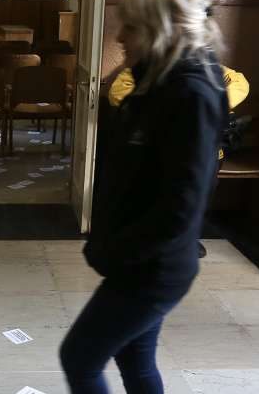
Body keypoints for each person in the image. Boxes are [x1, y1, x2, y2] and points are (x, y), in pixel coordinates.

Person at [37, 0, 230, 394]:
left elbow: (180, 207)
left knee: (80, 356)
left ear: (161, 30)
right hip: (147, 261)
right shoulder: (158, 81)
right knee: (135, 357)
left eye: (131, 27)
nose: (120, 37)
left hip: (151, 266)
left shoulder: (190, 93)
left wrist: (116, 251)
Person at [106, 47, 250, 258]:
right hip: (161, 149)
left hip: (205, 151)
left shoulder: (209, 69)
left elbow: (240, 83)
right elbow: (117, 93)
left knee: (197, 195)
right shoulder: (147, 68)